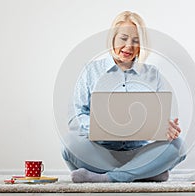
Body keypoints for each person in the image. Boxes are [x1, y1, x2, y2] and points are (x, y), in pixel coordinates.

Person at [61, 11, 186, 183]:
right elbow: (76, 117)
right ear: (112, 39)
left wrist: (166, 127)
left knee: (177, 145)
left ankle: (108, 178)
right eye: (124, 38)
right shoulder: (90, 71)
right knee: (69, 144)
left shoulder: (152, 74)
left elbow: (158, 117)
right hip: (101, 151)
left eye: (136, 40)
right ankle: (145, 174)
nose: (129, 46)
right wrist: (105, 127)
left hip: (138, 152)